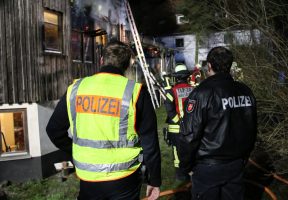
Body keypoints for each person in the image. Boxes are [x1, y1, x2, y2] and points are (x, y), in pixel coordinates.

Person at [46, 41, 161, 200]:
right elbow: (150, 143)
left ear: (101, 60)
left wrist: (75, 150)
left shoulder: (76, 89)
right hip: (124, 179)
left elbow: (53, 130)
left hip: (88, 178)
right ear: (127, 65)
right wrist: (154, 180)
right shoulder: (136, 92)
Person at [178, 46, 257, 200]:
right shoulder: (245, 91)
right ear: (230, 65)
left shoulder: (202, 93)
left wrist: (185, 166)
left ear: (209, 66)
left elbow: (189, 135)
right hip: (236, 164)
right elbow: (252, 129)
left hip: (208, 167)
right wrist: (244, 158)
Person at [163, 64, 194, 182]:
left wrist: (178, 121)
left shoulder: (172, 91)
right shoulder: (193, 89)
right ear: (187, 76)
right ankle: (191, 171)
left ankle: (180, 175)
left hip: (176, 128)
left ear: (176, 77)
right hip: (191, 126)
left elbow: (169, 108)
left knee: (177, 151)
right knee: (190, 149)